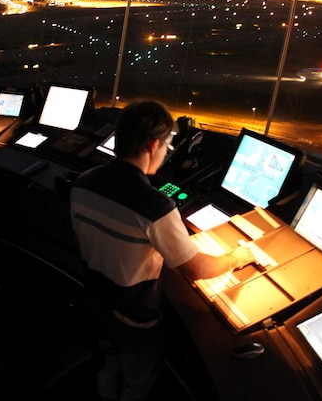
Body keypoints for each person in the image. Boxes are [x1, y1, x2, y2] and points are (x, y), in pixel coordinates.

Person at [69, 99, 254, 401]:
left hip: (94, 299)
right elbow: (196, 270)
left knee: (107, 363)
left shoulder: (83, 182)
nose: (168, 152)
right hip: (133, 317)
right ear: (154, 144)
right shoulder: (155, 206)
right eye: (168, 145)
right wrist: (236, 257)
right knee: (137, 379)